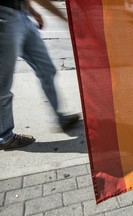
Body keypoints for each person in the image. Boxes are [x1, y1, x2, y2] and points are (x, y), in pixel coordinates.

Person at [0, 0, 80, 150]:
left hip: (22, 15)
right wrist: (66, 19)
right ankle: (5, 136)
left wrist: (31, 11)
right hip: (4, 18)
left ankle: (60, 118)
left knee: (47, 69)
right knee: (3, 84)